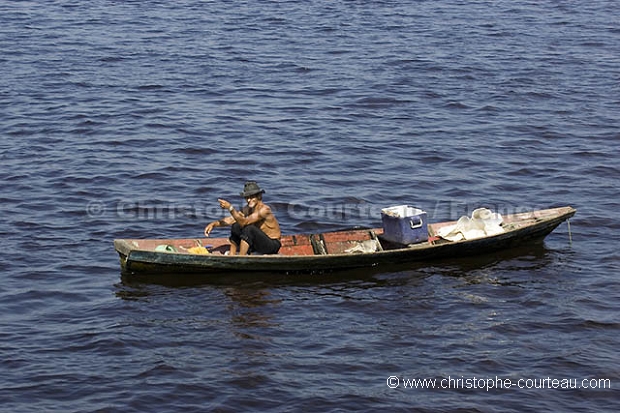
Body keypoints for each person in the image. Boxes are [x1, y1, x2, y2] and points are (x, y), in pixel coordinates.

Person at [204, 181, 281, 255]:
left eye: (251, 197)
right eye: (247, 198)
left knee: (249, 229)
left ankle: (241, 258)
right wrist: (214, 224)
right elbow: (232, 219)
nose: (248, 200)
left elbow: (245, 222)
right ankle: (232, 254)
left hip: (272, 245)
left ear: (259, 196)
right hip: (258, 243)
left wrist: (230, 208)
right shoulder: (248, 209)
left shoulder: (264, 210)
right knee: (236, 225)